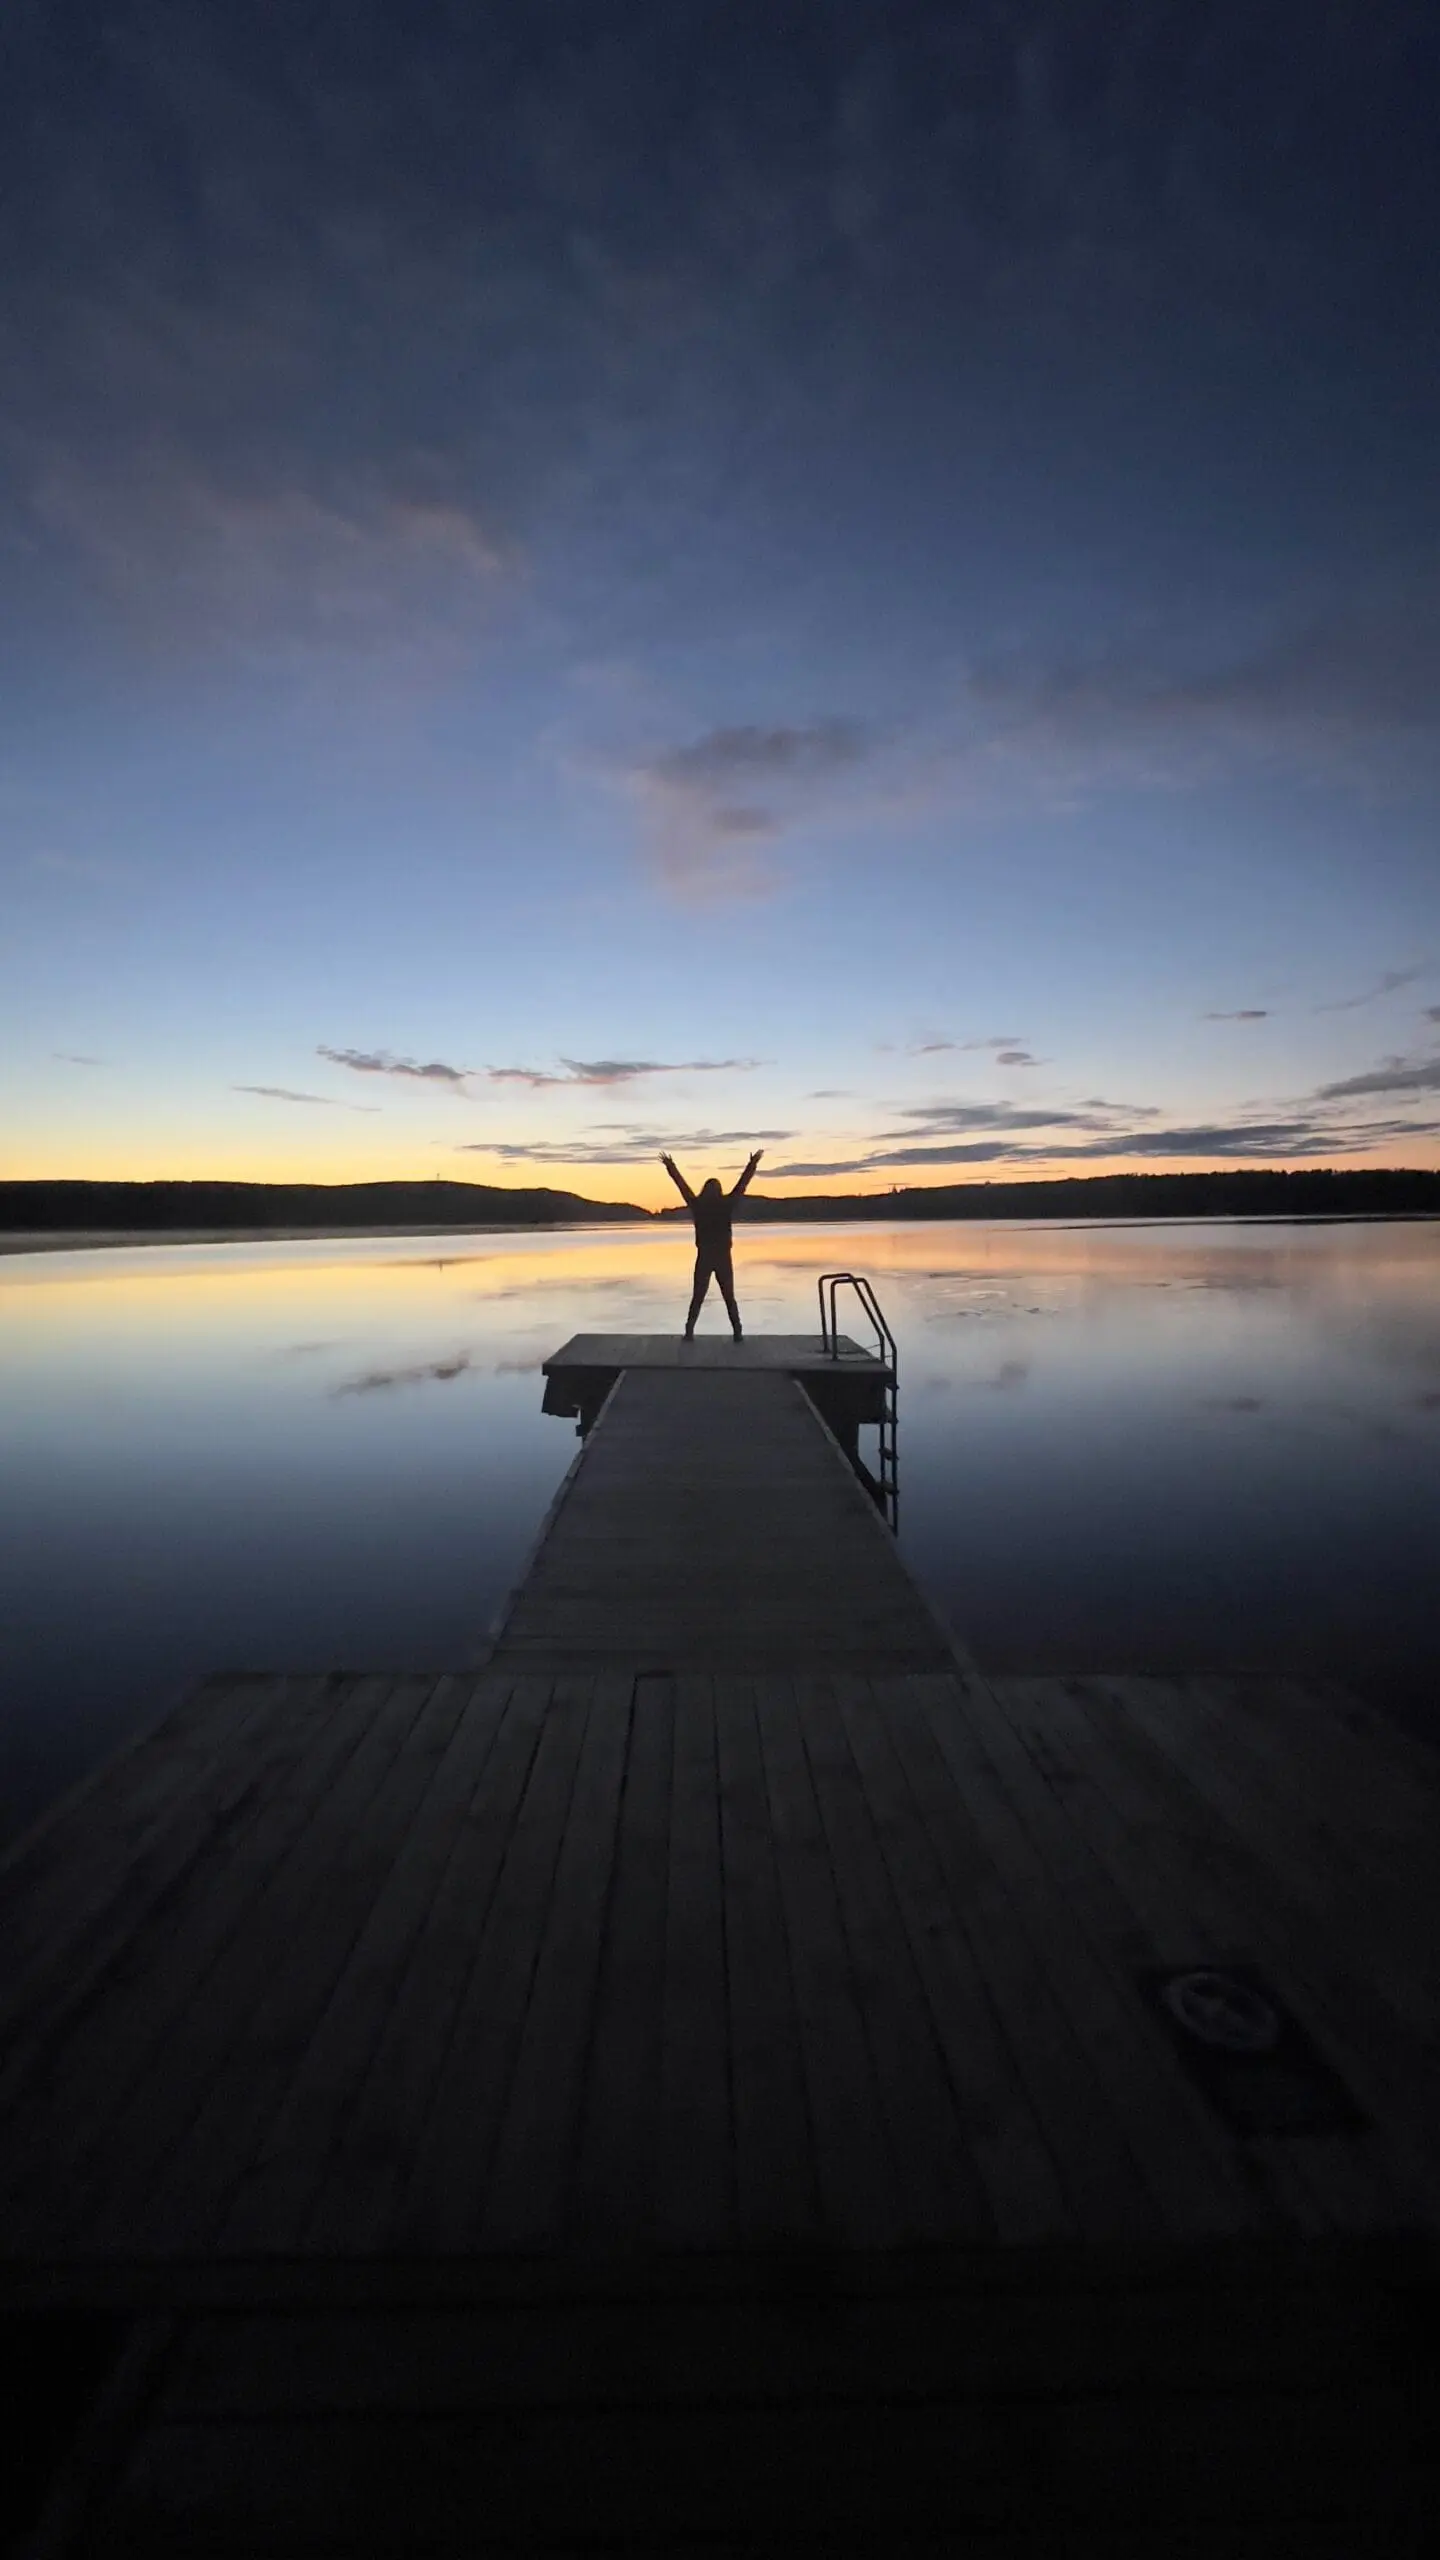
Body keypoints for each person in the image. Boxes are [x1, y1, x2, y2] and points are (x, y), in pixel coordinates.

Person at [660, 1148, 763, 1340]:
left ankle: (689, 1331)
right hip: (723, 1257)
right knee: (729, 1297)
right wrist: (752, 1164)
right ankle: (737, 1332)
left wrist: (670, 1166)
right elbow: (742, 1185)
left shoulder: (698, 1205)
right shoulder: (726, 1205)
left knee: (698, 1296)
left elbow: (682, 1186)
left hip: (705, 1257)